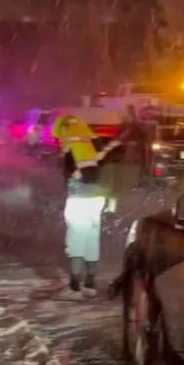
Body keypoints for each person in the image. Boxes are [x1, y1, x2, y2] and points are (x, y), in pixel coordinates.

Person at [50, 112, 109, 301]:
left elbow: (70, 173)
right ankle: (90, 284)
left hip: (78, 202)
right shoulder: (91, 146)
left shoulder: (71, 151)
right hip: (96, 201)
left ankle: (74, 287)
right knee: (92, 241)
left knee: (76, 243)